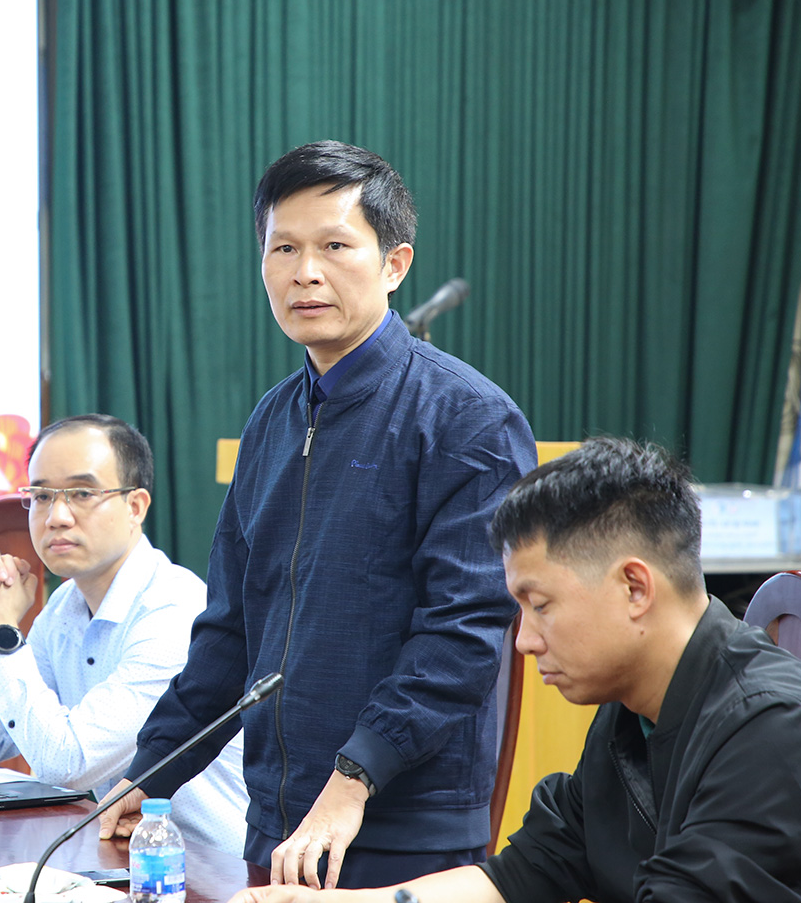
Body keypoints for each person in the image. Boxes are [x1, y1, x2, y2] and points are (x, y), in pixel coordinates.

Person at [97, 141, 536, 888]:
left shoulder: (468, 420)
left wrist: (354, 777)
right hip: (275, 816)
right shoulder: (271, 421)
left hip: (399, 823)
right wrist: (153, 769)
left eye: (334, 246)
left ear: (395, 264)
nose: (305, 272)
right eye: (284, 249)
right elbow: (231, 629)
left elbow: (462, 634)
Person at [226, 435, 801, 902]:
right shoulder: (631, 712)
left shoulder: (772, 725)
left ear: (635, 587)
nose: (524, 642)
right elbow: (522, 875)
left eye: (541, 605)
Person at [0, 413, 247, 849]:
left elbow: (69, 764)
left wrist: (3, 637)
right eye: (42, 496)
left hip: (214, 869)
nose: (56, 516)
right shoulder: (64, 606)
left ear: (135, 506)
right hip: (122, 857)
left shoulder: (173, 611)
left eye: (82, 494)